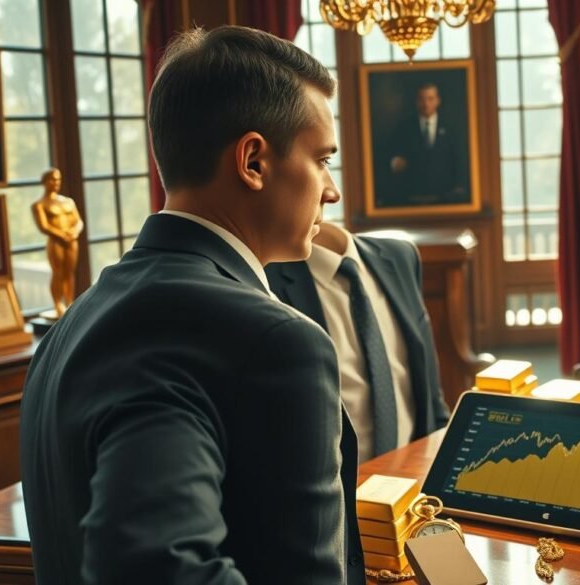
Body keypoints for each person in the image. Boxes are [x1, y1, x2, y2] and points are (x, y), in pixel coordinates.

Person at [20, 26, 361, 585]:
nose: (331, 190)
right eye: (323, 159)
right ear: (253, 161)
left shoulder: (70, 325)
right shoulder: (273, 341)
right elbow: (147, 561)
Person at [266, 223, 451, 464]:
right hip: (338, 490)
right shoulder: (265, 278)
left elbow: (431, 399)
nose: (332, 193)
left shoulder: (401, 256)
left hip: (414, 477)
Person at [381, 83, 469, 206]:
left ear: (438, 101)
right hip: (413, 195)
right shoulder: (404, 128)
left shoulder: (451, 127)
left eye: (430, 99)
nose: (426, 104)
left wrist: (459, 186)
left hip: (445, 196)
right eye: (422, 99)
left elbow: (459, 159)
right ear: (417, 102)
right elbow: (391, 157)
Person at [31, 168, 84, 317]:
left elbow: (79, 221)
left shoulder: (68, 201)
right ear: (44, 182)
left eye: (58, 179)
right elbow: (44, 226)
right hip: (56, 242)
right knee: (58, 273)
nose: (56, 182)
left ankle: (69, 302)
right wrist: (61, 235)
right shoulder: (40, 204)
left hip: (71, 240)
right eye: (52, 179)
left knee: (69, 272)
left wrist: (74, 232)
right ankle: (58, 305)